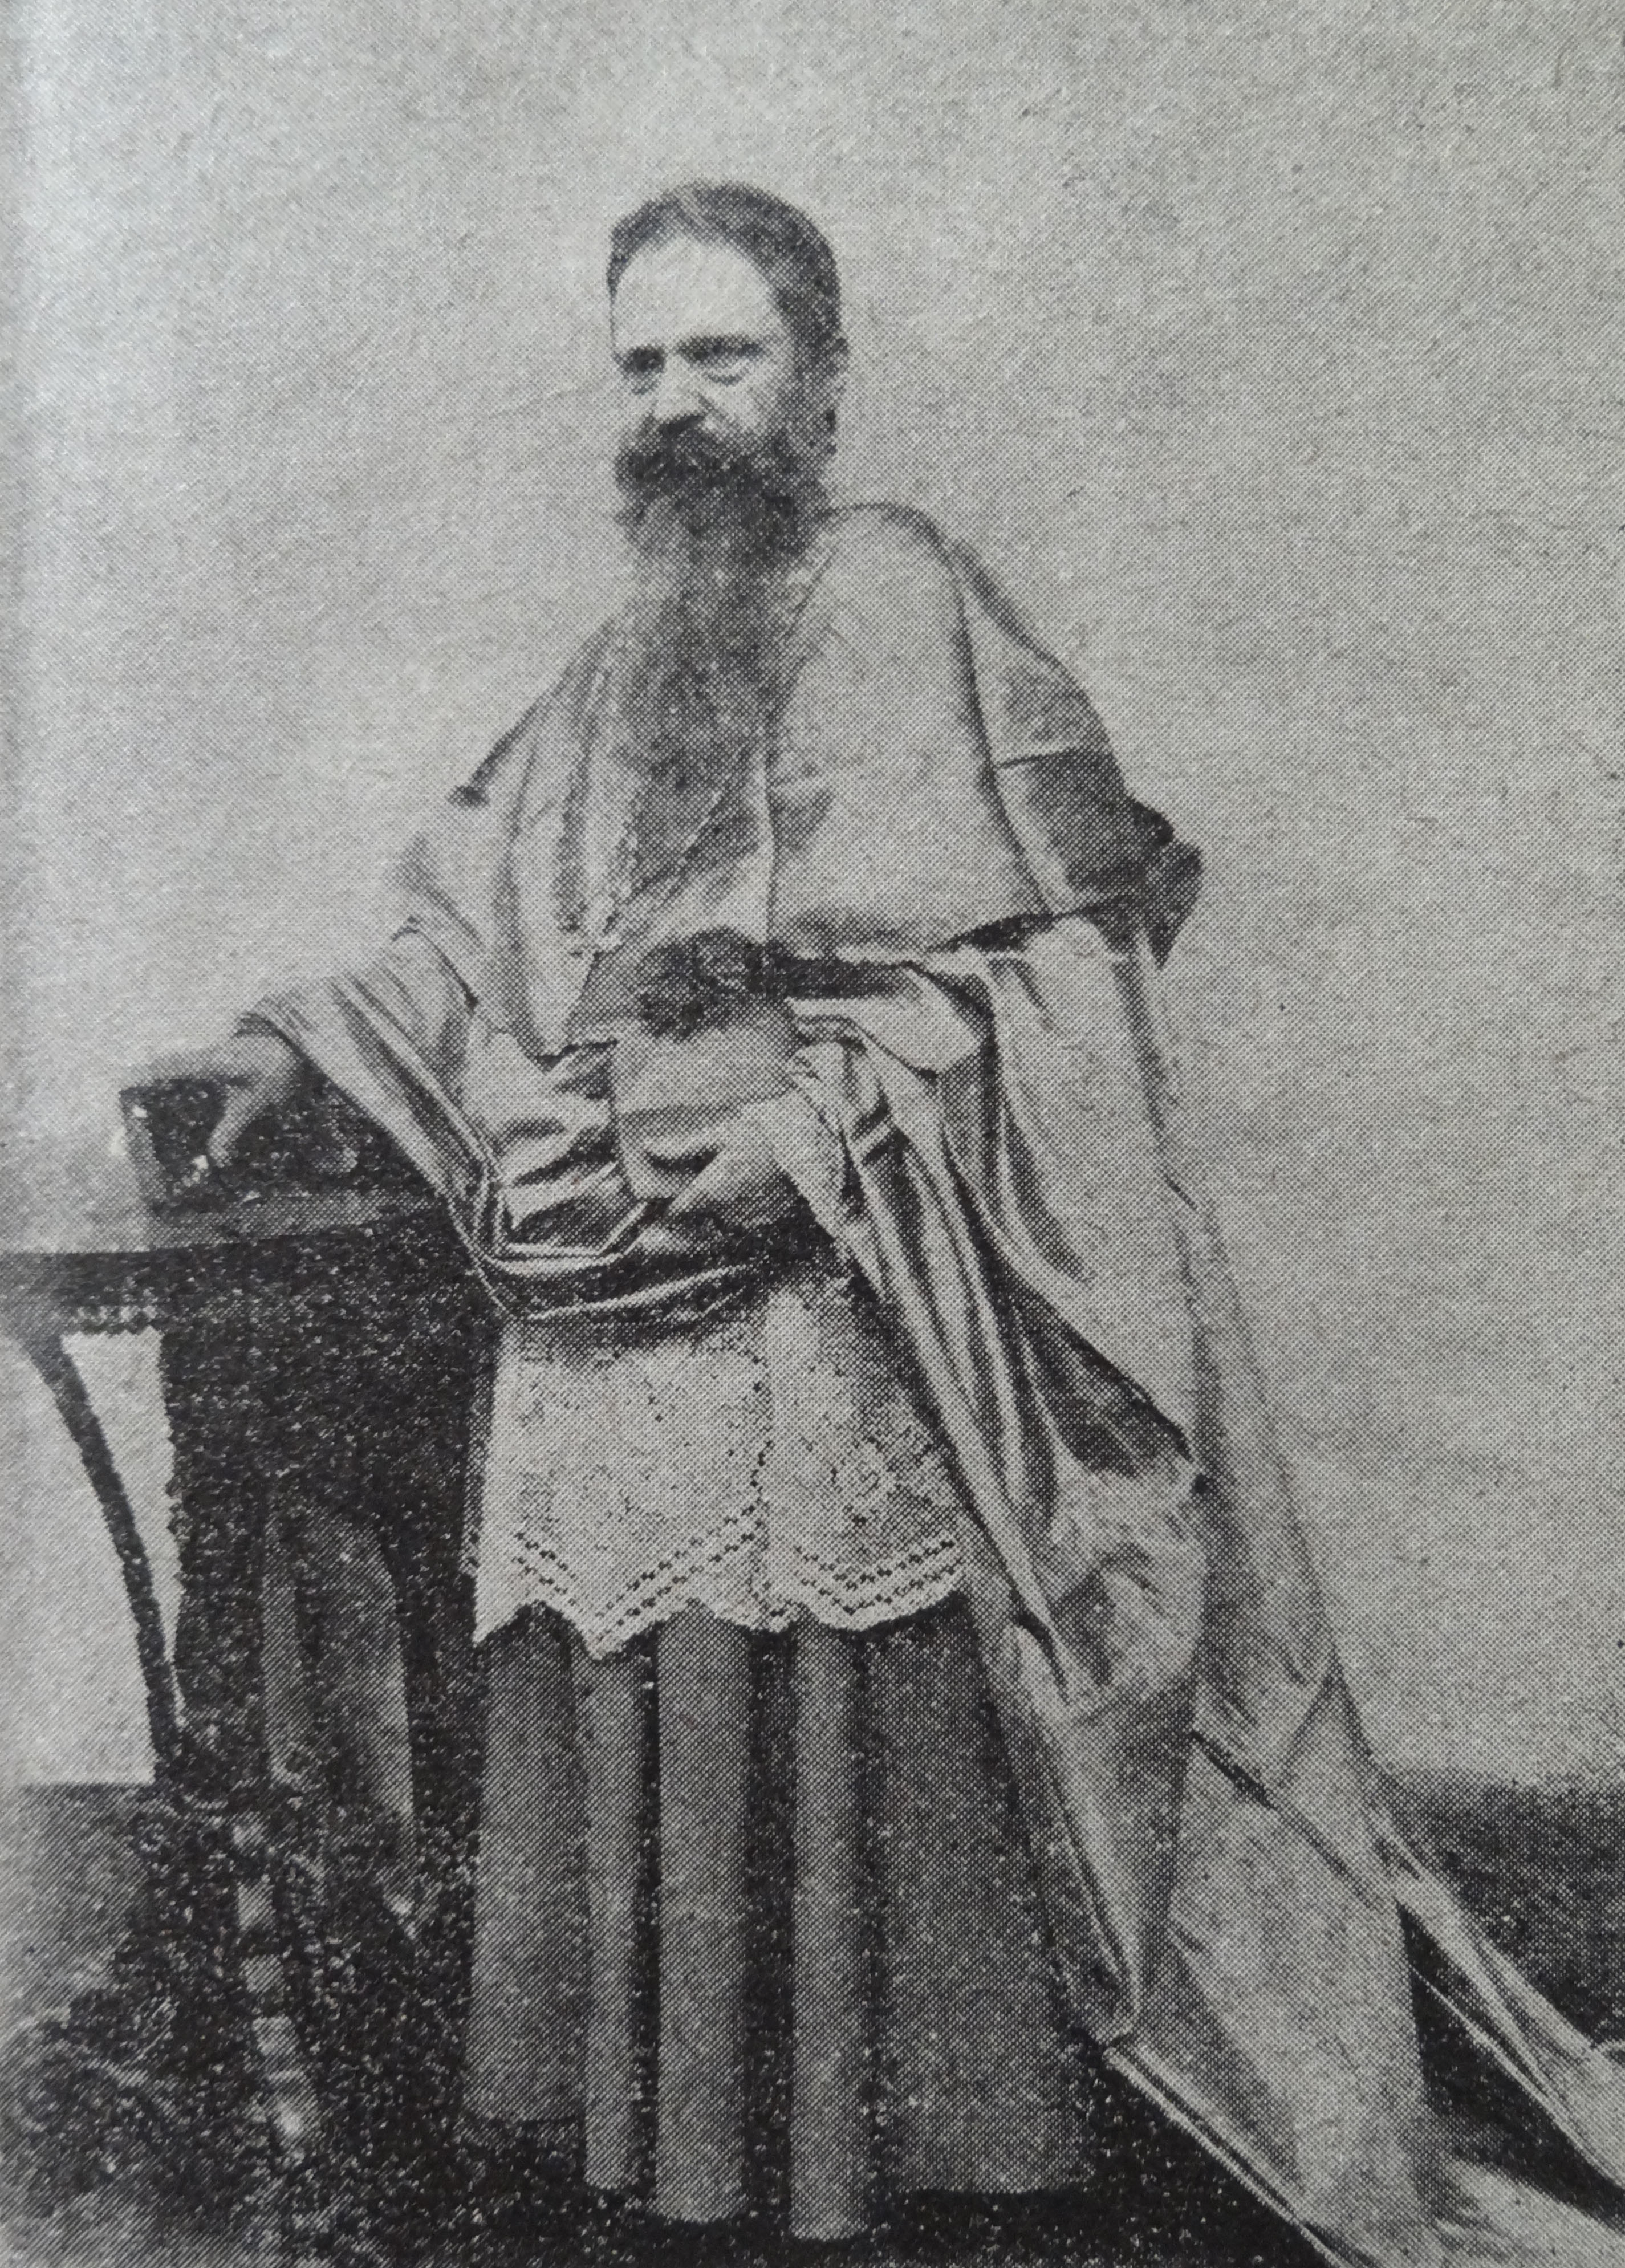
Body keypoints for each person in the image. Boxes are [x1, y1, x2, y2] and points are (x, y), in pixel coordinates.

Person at [143, 182, 1625, 2266]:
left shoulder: (909, 596)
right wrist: (286, 1045)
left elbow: (1063, 951)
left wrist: (824, 1127)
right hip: (616, 1255)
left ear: (821, 385)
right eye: (641, 363)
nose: (675, 402)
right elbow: (469, 936)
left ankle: (933, 2157)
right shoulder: (613, 667)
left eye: (721, 355)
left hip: (843, 1252)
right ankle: (687, 2148)